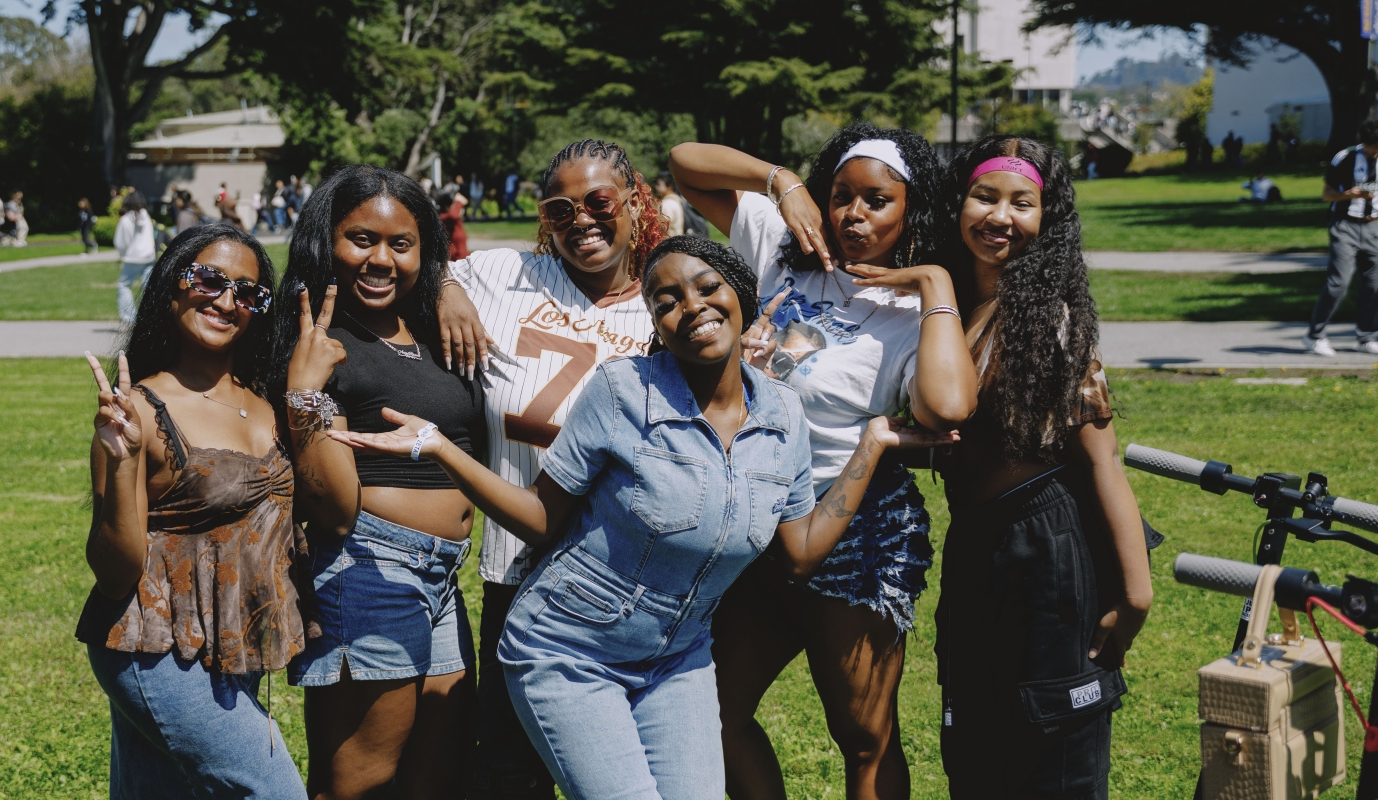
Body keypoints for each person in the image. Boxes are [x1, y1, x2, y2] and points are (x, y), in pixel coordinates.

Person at [333, 235, 950, 799]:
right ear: (656, 322)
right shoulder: (623, 390)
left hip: (678, 658)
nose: (693, 307)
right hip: (569, 648)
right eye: (667, 300)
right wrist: (440, 447)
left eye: (708, 288)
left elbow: (800, 553)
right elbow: (542, 519)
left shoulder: (784, 415)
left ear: (742, 295)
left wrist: (871, 445)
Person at [669, 123, 979, 800]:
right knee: (712, 710)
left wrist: (930, 281)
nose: (853, 213)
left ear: (911, 209)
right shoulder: (781, 249)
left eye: (876, 200)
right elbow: (686, 164)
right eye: (841, 194)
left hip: (855, 533)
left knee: (863, 738)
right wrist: (782, 182)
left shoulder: (909, 312)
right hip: (754, 525)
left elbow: (949, 408)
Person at [431, 138, 668, 799]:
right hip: (519, 574)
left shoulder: (667, 297)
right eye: (561, 210)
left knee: (627, 768)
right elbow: (424, 261)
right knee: (509, 768)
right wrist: (447, 288)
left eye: (599, 202)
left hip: (629, 580)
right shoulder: (503, 273)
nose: (581, 221)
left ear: (635, 201)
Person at [934, 134, 1153, 799]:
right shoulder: (947, 306)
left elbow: (1102, 458)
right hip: (973, 544)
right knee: (974, 740)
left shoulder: (1048, 319)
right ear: (958, 203)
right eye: (984, 196)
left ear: (1045, 219)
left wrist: (1136, 594)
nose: (1000, 217)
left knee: (1055, 747)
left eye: (1021, 203)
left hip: (1045, 545)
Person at [76, 222, 308, 799]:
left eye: (249, 293)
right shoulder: (141, 410)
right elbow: (113, 572)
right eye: (209, 279)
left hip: (233, 642)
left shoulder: (269, 402)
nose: (227, 301)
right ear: (173, 286)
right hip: (154, 647)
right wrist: (124, 460)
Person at [277, 165, 483, 800]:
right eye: (361, 239)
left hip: (443, 576)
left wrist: (448, 285)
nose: (380, 260)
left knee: (436, 772)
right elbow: (334, 508)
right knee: (360, 783)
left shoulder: (424, 327)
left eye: (401, 244)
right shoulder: (321, 340)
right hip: (366, 570)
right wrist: (305, 394)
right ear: (325, 243)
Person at [1305, 117, 1378, 357]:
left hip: (1375, 225)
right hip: (1345, 224)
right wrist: (1348, 195)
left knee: (1372, 285)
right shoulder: (1344, 158)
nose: (1372, 152)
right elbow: (1327, 194)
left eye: (1376, 147)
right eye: (1369, 147)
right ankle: (1315, 335)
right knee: (1338, 282)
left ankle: (1367, 336)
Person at [115, 193, 158, 325]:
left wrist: (123, 254)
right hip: (148, 257)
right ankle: (153, 316)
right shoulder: (145, 215)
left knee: (124, 286)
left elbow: (121, 242)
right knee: (149, 288)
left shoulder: (126, 219)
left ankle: (130, 318)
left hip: (133, 258)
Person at [439, 188, 471, 262]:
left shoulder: (454, 220)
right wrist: (459, 202)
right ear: (447, 207)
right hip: (455, 259)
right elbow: (453, 215)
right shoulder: (444, 218)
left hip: (462, 258)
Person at [654, 171, 687, 237]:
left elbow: (663, 228)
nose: (656, 187)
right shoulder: (676, 201)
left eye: (659, 184)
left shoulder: (667, 204)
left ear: (669, 186)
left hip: (668, 243)